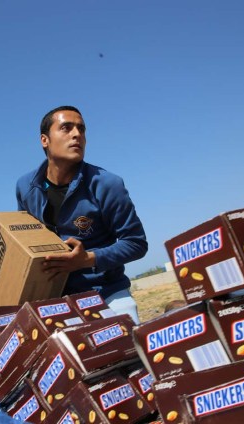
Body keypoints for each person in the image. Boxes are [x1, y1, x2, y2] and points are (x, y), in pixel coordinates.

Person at [16, 105, 148, 323]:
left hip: (108, 294)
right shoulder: (25, 187)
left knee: (126, 352)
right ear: (44, 140)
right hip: (55, 302)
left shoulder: (107, 184)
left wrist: (87, 260)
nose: (77, 134)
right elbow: (25, 243)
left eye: (81, 129)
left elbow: (136, 243)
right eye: (66, 128)